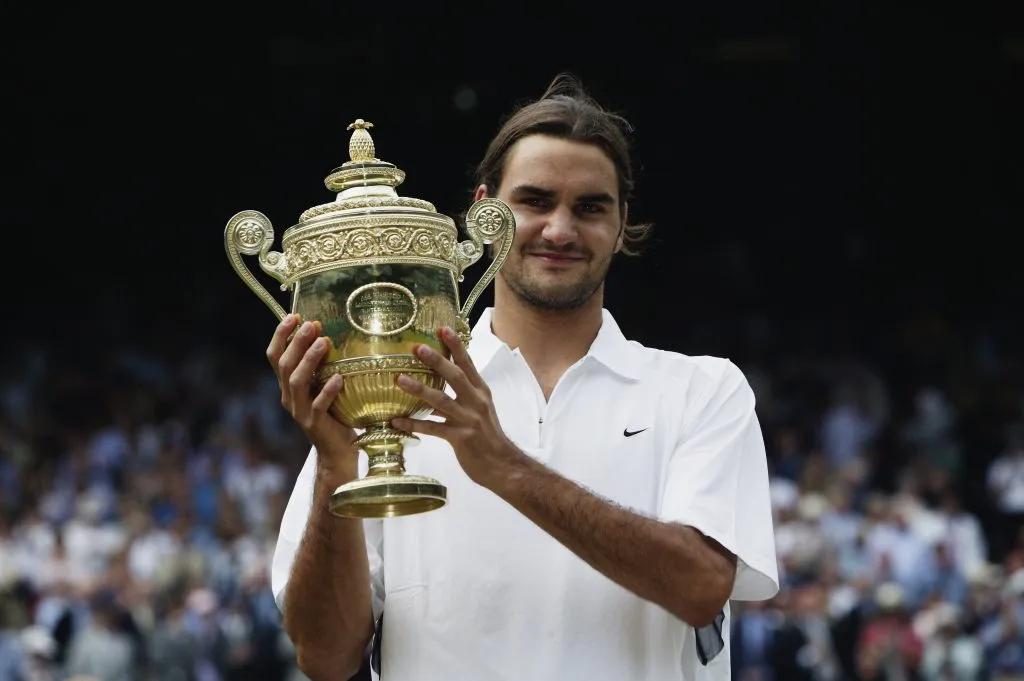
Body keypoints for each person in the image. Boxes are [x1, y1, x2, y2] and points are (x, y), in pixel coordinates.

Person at [269, 74, 779, 681]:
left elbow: (702, 588)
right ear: (485, 214)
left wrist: (506, 467)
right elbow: (325, 658)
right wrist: (334, 464)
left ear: (621, 227)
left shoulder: (702, 390)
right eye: (535, 201)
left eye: (590, 208)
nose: (560, 231)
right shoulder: (395, 392)